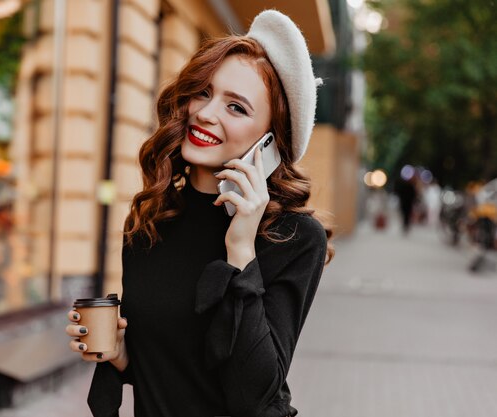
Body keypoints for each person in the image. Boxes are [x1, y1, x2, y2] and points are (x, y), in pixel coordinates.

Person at [66, 10, 334, 417]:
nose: (206, 114)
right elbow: (178, 372)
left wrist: (241, 249)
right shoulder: (150, 220)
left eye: (237, 108)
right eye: (204, 92)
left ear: (271, 143)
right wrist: (122, 357)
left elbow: (255, 397)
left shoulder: (294, 237)